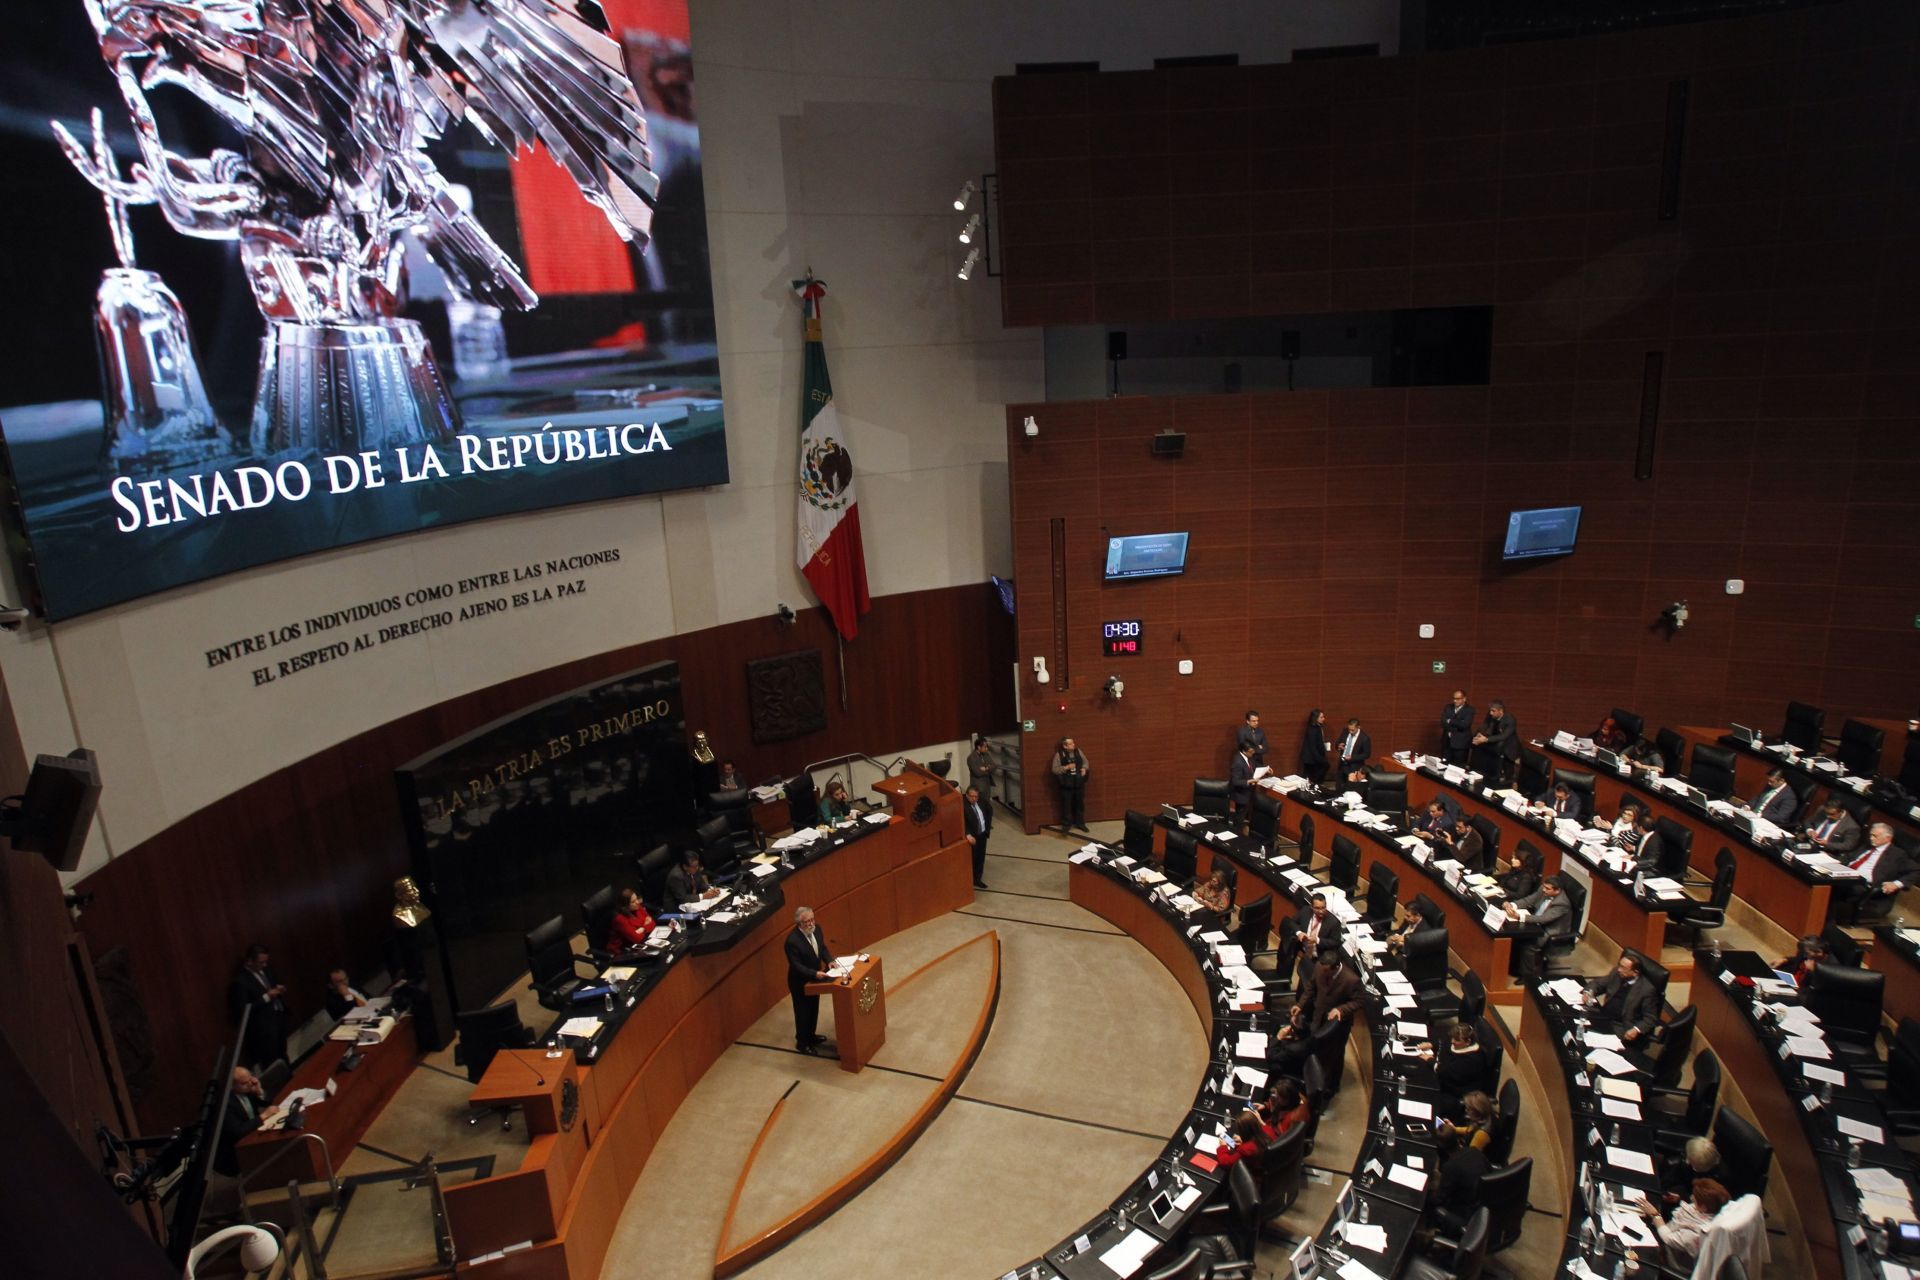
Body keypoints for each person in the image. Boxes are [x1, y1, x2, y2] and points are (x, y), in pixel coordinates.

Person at [1273, 948, 1362, 1073]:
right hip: (1318, 1015)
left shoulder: (1351, 980)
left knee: (1334, 1055)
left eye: (1326, 970)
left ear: (1335, 967)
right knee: (1315, 1046)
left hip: (1338, 1025)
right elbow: (1310, 987)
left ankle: (1332, 1085)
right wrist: (1300, 1005)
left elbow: (1358, 1001)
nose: (1322, 971)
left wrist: (1340, 1009)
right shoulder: (1319, 967)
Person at [1637, 1178, 1731, 1271]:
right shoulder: (1707, 1210)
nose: (1691, 1198)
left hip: (1669, 1258)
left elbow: (1668, 1238)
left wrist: (1655, 1215)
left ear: (1703, 1207)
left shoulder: (1698, 1233)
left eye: (1695, 1199)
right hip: (1665, 1233)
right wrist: (1678, 1199)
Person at [227, 944, 289, 1071]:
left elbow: (271, 986)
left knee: (283, 1055)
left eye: (266, 961)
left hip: (277, 1018)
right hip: (263, 1030)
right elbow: (244, 1010)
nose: (265, 965)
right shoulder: (240, 982)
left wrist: (279, 989)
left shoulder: (266, 971)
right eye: (261, 962)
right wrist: (266, 997)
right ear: (250, 961)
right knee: (272, 1063)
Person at [1837, 823, 1917, 920]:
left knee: (1831, 890)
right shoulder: (1868, 845)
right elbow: (1850, 857)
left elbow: (1916, 870)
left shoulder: (1897, 854)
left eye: (1875, 836)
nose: (1871, 838)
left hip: (1864, 887)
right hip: (1845, 874)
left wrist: (1896, 884)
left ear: (1888, 838)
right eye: (1871, 835)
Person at [214, 1065, 282, 1176]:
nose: (251, 1083)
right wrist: (262, 1116)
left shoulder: (248, 1089)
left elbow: (267, 1103)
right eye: (245, 1083)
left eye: (251, 1079)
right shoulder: (225, 1104)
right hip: (234, 1149)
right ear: (231, 1086)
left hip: (253, 1131)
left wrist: (259, 1091)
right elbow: (238, 1132)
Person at [785, 906, 836, 1054]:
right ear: (799, 924)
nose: (811, 923)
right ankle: (802, 1043)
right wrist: (814, 973)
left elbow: (823, 948)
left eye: (812, 919)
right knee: (803, 1012)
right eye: (807, 921)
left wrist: (829, 960)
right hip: (800, 982)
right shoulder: (792, 941)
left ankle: (811, 1036)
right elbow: (796, 966)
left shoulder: (817, 929)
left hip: (815, 979)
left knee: (813, 1009)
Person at [1426, 1123, 1490, 1236]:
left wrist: (1425, 1194)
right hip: (1485, 1203)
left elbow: (1439, 1199)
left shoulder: (1451, 1167)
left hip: (1466, 1213)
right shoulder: (1474, 1151)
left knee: (1428, 1203)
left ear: (1440, 1146)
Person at [1584, 952, 1659, 1044]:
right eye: (1619, 965)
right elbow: (1597, 983)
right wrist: (1588, 993)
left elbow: (1650, 1018)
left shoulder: (1646, 990)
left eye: (1623, 968)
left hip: (1620, 1025)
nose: (1619, 969)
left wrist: (1636, 1030)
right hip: (1603, 1014)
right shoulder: (1617, 973)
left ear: (1635, 973)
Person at [1420, 1022, 1492, 1107]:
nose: (1452, 1041)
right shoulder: (1458, 1043)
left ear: (1468, 1042)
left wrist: (1430, 1060)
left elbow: (1446, 1072)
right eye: (1453, 1038)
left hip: (1455, 1092)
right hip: (1443, 1078)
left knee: (1424, 1097)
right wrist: (1431, 1045)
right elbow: (1444, 1041)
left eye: (1456, 1040)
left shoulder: (1472, 1060)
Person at [1284, 893, 1343, 979]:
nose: (1321, 911)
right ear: (1311, 907)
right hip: (1304, 949)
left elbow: (1336, 942)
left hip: (1319, 956)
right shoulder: (1305, 911)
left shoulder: (1333, 922)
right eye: (1317, 908)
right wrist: (1299, 932)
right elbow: (1292, 922)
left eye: (1323, 907)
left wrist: (1318, 940)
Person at [1657, 1137, 1725, 1210]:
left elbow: (1706, 1203)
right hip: (1682, 1191)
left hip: (1693, 1204)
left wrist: (1681, 1199)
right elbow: (1671, 1177)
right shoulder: (1688, 1161)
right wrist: (1663, 1191)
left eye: (1693, 1163)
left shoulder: (1718, 1179)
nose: (1687, 1162)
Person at [1472, 700, 1519, 785]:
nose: (1490, 713)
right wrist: (1479, 734)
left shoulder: (1510, 719)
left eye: (1493, 711)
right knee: (1494, 770)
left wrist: (1485, 739)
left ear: (1501, 711)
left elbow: (1504, 736)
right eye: (1490, 710)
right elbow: (1485, 726)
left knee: (1508, 773)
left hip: (1509, 748)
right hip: (1497, 746)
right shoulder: (1491, 716)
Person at [1051, 737, 1090, 832]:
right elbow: (1055, 770)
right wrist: (1066, 767)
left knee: (1079, 805)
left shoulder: (1078, 751)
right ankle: (1066, 825)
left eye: (1073, 743)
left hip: (1078, 783)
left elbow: (1086, 762)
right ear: (1065, 746)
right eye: (1071, 743)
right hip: (1066, 785)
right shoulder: (1059, 755)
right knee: (1066, 806)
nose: (1073, 744)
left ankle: (1080, 823)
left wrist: (1084, 768)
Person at [609, 886, 656, 953]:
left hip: (642, 941)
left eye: (637, 899)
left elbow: (652, 922)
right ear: (625, 906)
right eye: (633, 901)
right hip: (623, 950)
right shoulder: (620, 919)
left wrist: (642, 929)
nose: (637, 902)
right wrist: (645, 925)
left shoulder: (637, 907)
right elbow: (637, 939)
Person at [963, 785, 991, 889]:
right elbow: (961, 820)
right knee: (972, 859)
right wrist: (967, 834)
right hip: (972, 837)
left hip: (982, 835)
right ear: (967, 795)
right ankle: (969, 880)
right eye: (972, 796)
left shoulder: (981, 801)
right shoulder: (962, 805)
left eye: (976, 797)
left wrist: (987, 829)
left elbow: (989, 811)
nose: (974, 799)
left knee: (980, 858)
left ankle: (977, 879)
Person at [1441, 690, 1475, 766]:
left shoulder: (1469, 710)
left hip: (1461, 744)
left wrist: (1450, 720)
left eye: (1458, 699)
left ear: (1464, 699)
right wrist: (1457, 724)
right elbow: (1442, 722)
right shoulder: (1448, 707)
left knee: (1458, 767)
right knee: (1444, 765)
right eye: (1454, 698)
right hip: (1447, 743)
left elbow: (1465, 725)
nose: (1455, 701)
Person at [1298, 709, 1331, 785]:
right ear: (1316, 718)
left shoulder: (1317, 727)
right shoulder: (1313, 729)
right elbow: (1313, 747)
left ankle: (1314, 786)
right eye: (1321, 717)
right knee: (1321, 769)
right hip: (1311, 759)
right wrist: (1321, 759)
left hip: (1313, 757)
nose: (1324, 719)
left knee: (1308, 776)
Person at [1228, 742, 1257, 820]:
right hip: (1241, 796)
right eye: (1251, 751)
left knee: (1246, 816)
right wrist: (1248, 781)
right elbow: (1235, 781)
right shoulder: (1238, 762)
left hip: (1248, 793)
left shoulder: (1248, 757)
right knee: (1239, 819)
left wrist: (1266, 772)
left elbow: (1253, 769)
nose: (1253, 753)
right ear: (1244, 751)